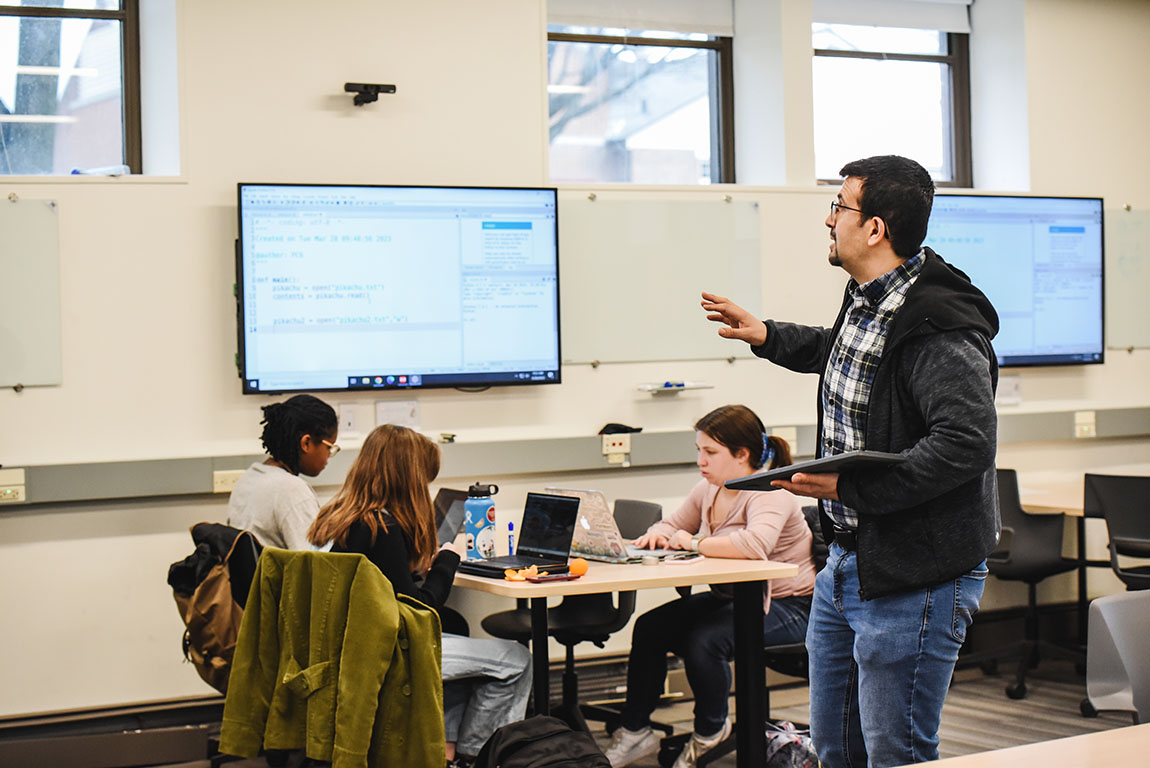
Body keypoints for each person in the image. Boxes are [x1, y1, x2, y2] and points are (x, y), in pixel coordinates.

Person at [701, 155, 1000, 768]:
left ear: (875, 229)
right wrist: (766, 335)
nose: (828, 219)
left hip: (916, 572)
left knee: (896, 753)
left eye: (840, 206)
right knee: (835, 748)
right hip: (846, 564)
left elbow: (966, 444)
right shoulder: (869, 301)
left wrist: (852, 490)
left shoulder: (939, 326)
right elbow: (842, 355)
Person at [306, 424, 531, 768]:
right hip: (387, 653)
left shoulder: (347, 516)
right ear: (409, 479)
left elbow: (385, 588)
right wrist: (447, 561)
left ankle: (445, 749)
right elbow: (419, 612)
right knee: (516, 661)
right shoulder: (385, 528)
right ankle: (475, 755)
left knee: (452, 628)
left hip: (349, 647)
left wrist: (417, 571)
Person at [604, 405, 816, 768]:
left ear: (742, 455)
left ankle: (710, 732)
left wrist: (691, 543)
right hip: (739, 597)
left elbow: (753, 546)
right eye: (699, 450)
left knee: (706, 639)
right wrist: (659, 534)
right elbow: (671, 524)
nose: (701, 460)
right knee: (652, 627)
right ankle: (635, 730)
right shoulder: (710, 488)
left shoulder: (770, 493)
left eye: (710, 452)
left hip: (794, 605)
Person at [227, 393, 338, 550]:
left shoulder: (248, 478)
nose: (329, 456)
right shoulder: (291, 489)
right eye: (329, 447)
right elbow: (317, 563)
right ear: (306, 443)